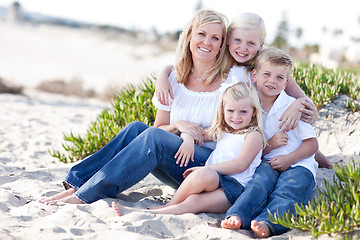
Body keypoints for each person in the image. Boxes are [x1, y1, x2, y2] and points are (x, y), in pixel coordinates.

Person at [38, 9, 231, 205]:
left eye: (215, 38)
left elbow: (234, 130)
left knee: (153, 138)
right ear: (189, 36)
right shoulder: (174, 79)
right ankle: (77, 185)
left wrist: (191, 135)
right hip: (177, 162)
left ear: (222, 45)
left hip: (206, 168)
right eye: (201, 34)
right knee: (137, 129)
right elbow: (160, 128)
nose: (207, 42)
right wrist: (178, 125)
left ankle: (86, 195)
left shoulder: (228, 83)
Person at [155, 12, 332, 169]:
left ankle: (315, 154)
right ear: (228, 41)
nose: (242, 48)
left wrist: (298, 104)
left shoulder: (266, 65)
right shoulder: (224, 63)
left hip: (257, 131)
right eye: (237, 41)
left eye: (250, 43)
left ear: (260, 46)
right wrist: (163, 75)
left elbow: (300, 98)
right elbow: (182, 66)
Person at [112, 82, 267, 215]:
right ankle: (171, 204)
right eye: (231, 111)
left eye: (243, 111)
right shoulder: (223, 131)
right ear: (223, 110)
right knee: (205, 175)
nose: (236, 116)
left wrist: (208, 168)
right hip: (215, 179)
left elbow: (240, 164)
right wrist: (187, 140)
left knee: (195, 198)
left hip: (234, 188)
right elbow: (194, 133)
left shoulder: (253, 136)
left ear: (253, 112)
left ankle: (155, 210)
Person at [221, 47, 319, 238]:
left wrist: (289, 159)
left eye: (279, 78)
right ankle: (238, 215)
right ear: (254, 76)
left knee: (290, 189)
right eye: (267, 74)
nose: (272, 81)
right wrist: (270, 147)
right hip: (267, 161)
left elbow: (312, 145)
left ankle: (268, 223)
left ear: (286, 83)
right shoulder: (249, 107)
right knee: (258, 184)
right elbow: (253, 147)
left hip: (299, 164)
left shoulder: (292, 106)